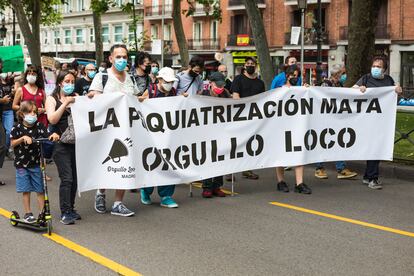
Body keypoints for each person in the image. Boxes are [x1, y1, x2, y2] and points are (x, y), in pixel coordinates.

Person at [88, 44, 139, 217]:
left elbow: (137, 98)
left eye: (124, 57)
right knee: (107, 162)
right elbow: (93, 97)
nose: (122, 60)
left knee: (125, 164)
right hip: (107, 129)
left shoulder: (131, 78)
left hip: (127, 129)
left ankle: (118, 202)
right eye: (118, 57)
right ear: (111, 59)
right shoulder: (102, 76)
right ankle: (100, 193)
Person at [139, 67, 187, 208]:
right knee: (151, 163)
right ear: (159, 80)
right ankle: (146, 190)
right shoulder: (151, 91)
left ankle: (166, 196)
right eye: (166, 81)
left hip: (168, 136)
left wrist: (183, 99)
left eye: (171, 81)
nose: (169, 84)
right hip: (151, 136)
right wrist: (141, 100)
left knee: (168, 163)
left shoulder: (172, 92)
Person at [353, 56, 402, 190]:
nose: (375, 68)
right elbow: (351, 92)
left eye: (379, 66)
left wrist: (398, 92)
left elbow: (394, 100)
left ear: (384, 69)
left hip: (382, 121)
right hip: (367, 120)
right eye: (374, 66)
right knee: (374, 148)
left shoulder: (389, 80)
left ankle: (368, 176)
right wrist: (359, 89)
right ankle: (372, 179)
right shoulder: (366, 78)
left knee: (375, 148)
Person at [10, 101, 59, 223]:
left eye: (35, 112)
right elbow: (12, 143)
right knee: (26, 190)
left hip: (37, 164)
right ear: (22, 114)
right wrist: (22, 138)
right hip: (22, 164)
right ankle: (28, 213)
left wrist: (53, 134)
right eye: (30, 112)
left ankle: (42, 213)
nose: (33, 114)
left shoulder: (40, 126)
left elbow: (48, 135)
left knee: (40, 189)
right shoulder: (17, 128)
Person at [45, 70, 80, 225]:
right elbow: (52, 119)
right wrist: (66, 103)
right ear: (60, 83)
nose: (70, 84)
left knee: (75, 180)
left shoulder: (77, 97)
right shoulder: (52, 99)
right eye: (67, 81)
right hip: (60, 145)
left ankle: (71, 208)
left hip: (76, 144)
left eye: (72, 82)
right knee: (67, 178)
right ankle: (65, 212)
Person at [315, 65, 358, 179]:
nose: (343, 76)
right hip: (325, 118)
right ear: (337, 74)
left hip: (336, 118)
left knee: (338, 143)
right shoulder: (326, 84)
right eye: (341, 74)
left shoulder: (339, 84)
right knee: (322, 143)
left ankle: (341, 169)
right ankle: (319, 168)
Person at [275, 66, 312, 195]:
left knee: (298, 153)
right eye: (292, 75)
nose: (295, 78)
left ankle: (299, 183)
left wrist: (308, 90)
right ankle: (281, 181)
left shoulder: (302, 90)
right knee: (280, 154)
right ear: (287, 76)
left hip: (297, 125)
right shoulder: (279, 90)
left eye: (297, 75)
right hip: (281, 126)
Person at [231, 57, 265, 180]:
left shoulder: (260, 83)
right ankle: (231, 170)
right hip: (239, 116)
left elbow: (262, 100)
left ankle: (247, 169)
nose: (250, 65)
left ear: (255, 66)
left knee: (249, 143)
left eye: (252, 64)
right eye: (248, 63)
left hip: (254, 117)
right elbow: (235, 96)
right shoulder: (238, 79)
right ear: (244, 65)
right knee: (236, 144)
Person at [200, 72, 231, 198]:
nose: (220, 87)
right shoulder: (202, 95)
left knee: (220, 158)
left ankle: (217, 186)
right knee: (208, 158)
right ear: (211, 83)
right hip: (206, 131)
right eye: (218, 85)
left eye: (222, 85)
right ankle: (207, 186)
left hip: (221, 130)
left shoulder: (226, 94)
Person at [0, 72, 14, 159]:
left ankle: (7, 150)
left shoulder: (9, 80)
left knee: (9, 131)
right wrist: (2, 100)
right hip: (1, 110)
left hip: (8, 110)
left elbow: (19, 80)